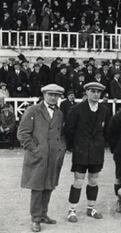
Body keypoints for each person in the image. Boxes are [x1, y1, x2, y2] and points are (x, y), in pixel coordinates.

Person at [17, 84, 66, 232]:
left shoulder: (59, 113)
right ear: (44, 94)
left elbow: (60, 134)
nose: (53, 97)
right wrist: (35, 149)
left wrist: (60, 149)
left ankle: (44, 214)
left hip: (53, 157)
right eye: (50, 94)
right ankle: (36, 219)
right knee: (37, 187)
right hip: (38, 157)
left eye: (56, 95)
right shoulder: (33, 110)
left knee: (49, 185)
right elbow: (22, 133)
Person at [65, 82, 111, 222]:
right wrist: (73, 147)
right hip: (81, 150)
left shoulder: (105, 110)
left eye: (98, 92)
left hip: (97, 151)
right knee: (78, 180)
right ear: (86, 92)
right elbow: (69, 131)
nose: (96, 94)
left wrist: (102, 144)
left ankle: (91, 208)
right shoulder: (76, 109)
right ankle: (72, 210)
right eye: (93, 91)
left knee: (93, 180)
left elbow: (107, 130)